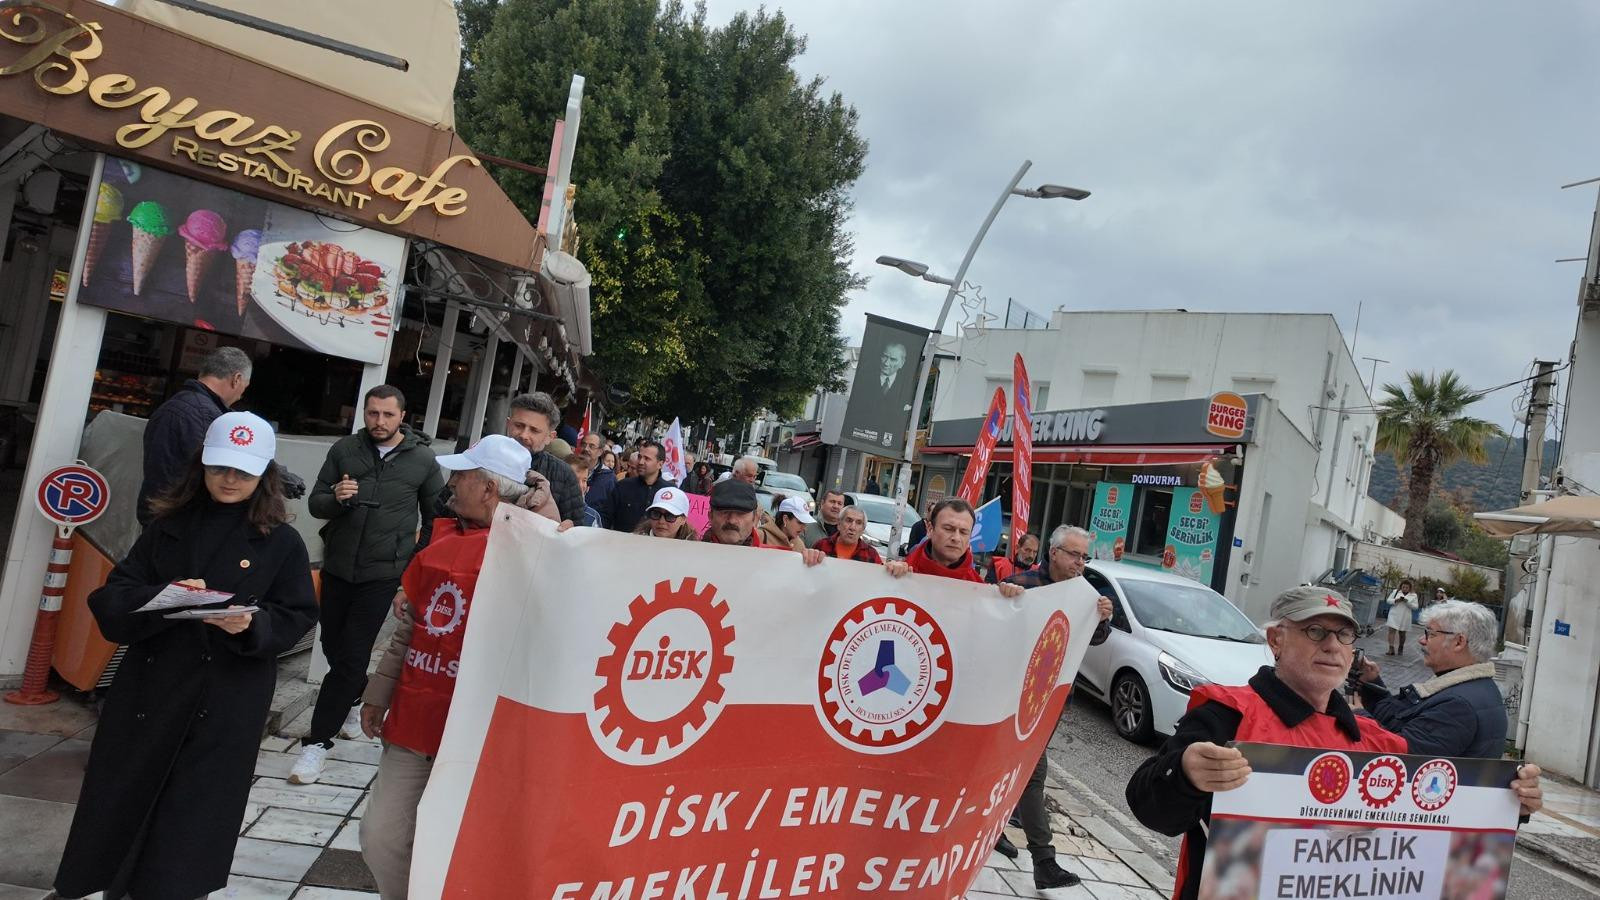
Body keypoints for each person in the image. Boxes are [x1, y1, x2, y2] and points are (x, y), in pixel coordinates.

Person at [1125, 586, 1544, 900]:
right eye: (1315, 631)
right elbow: (1150, 807)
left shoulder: (1375, 740)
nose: (1332, 646)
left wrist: (1508, 802)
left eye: (1344, 635)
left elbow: (1433, 821)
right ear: (1276, 640)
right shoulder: (1227, 716)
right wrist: (1184, 773)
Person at [55, 412, 317, 900]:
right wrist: (164, 596)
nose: (230, 479)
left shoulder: (281, 542)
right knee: (122, 801)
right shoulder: (167, 526)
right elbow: (113, 597)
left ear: (264, 475)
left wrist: (252, 624)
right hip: (151, 690)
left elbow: (297, 613)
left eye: (243, 471)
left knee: (192, 817)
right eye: (219, 468)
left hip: (225, 699)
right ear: (201, 467)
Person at [357, 434, 540, 898]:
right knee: (382, 835)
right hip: (414, 721)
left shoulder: (536, 554)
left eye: (462, 475)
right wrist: (379, 693)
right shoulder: (440, 542)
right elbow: (411, 628)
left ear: (489, 489)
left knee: (457, 845)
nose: (452, 483)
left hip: (478, 735)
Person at [289, 386, 444, 785]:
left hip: (383, 574)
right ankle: (356, 697)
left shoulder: (423, 460)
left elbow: (435, 520)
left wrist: (411, 568)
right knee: (334, 648)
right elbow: (316, 503)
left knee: (352, 656)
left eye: (388, 415)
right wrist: (336, 497)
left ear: (402, 416)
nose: (379, 421)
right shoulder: (345, 449)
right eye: (373, 413)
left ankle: (316, 743)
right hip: (338, 567)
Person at [994, 525, 1113, 887]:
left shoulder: (1085, 595)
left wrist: (1103, 618)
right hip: (1004, 699)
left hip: (1047, 703)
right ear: (1054, 552)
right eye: (1074, 554)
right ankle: (1038, 857)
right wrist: (1004, 596)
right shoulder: (1023, 583)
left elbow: (1094, 638)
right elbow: (991, 625)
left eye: (1084, 557)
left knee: (1029, 772)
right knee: (1016, 771)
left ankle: (1031, 854)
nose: (1080, 563)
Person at [1357, 599, 1507, 758]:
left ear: (1458, 642)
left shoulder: (1457, 705)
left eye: (1431, 634)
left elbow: (1398, 756)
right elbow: (1399, 722)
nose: (1422, 640)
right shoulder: (1466, 687)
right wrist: (1371, 684)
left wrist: (1359, 716)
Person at [136, 345, 252, 525]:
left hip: (158, 515)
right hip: (180, 521)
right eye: (244, 387)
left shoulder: (172, 405)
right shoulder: (206, 415)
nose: (240, 396)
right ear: (236, 379)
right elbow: (213, 472)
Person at [884, 498, 1024, 596]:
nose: (956, 538)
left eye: (963, 532)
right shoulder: (900, 573)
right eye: (948, 529)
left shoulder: (978, 589)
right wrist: (886, 575)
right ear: (930, 529)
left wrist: (1005, 598)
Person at [502, 392, 586, 525]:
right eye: (519, 425)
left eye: (534, 430)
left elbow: (576, 528)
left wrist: (569, 529)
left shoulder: (564, 475)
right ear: (508, 424)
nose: (524, 435)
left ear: (550, 437)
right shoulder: (482, 458)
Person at [703, 480, 824, 566]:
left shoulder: (775, 560)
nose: (732, 520)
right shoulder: (691, 555)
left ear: (755, 518)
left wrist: (810, 563)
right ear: (710, 516)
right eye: (724, 512)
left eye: (741, 513)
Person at [605, 440, 676, 534]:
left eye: (647, 459)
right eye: (640, 457)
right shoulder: (622, 486)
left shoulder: (670, 492)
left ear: (660, 464)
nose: (641, 462)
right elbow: (606, 519)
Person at [814, 505, 882, 563]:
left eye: (858, 523)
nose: (852, 527)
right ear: (839, 524)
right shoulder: (821, 545)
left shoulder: (871, 554)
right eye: (849, 521)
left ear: (862, 529)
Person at [632, 486, 699, 540]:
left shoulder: (693, 550)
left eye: (670, 516)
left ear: (683, 519)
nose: (661, 521)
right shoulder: (633, 541)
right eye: (656, 514)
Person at [584, 432, 617, 520]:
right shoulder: (570, 468)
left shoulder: (609, 478)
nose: (586, 449)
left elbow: (610, 511)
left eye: (591, 446)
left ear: (600, 452)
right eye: (583, 444)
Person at [567, 451, 603, 527]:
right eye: (575, 479)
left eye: (584, 480)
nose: (581, 485)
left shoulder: (592, 517)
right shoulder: (551, 508)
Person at [1385, 578, 1417, 655]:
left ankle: (1401, 646)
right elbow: (1388, 600)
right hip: (1394, 615)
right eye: (1403, 587)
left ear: (1410, 588)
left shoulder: (1414, 595)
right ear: (1401, 586)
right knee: (1391, 631)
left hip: (1405, 616)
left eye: (1407, 587)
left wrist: (1407, 602)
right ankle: (1391, 648)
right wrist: (1396, 600)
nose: (1405, 589)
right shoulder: (1395, 592)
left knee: (1402, 633)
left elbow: (1415, 607)